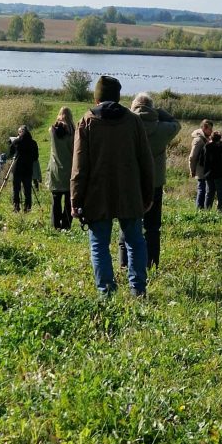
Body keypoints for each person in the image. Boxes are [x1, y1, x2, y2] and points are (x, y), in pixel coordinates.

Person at [71, 75, 154, 297]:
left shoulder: (87, 121)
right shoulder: (133, 120)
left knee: (99, 244)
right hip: (130, 193)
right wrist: (147, 195)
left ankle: (106, 293)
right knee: (135, 241)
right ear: (117, 97)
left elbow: (79, 166)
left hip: (97, 194)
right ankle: (138, 290)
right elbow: (146, 161)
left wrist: (75, 200)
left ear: (97, 98)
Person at [119, 93, 181, 269]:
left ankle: (124, 264)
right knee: (153, 227)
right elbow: (177, 124)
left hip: (130, 182)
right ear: (152, 108)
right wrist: (159, 111)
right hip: (154, 183)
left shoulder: (126, 127)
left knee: (127, 225)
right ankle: (152, 263)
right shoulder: (162, 128)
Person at [46, 107, 75, 230]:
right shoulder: (73, 131)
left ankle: (55, 225)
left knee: (56, 200)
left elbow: (51, 128)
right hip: (69, 168)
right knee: (69, 201)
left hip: (55, 168)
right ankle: (66, 224)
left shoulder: (52, 130)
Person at [8, 125, 39, 212]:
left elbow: (10, 153)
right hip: (28, 168)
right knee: (27, 189)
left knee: (16, 189)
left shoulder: (16, 141)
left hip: (17, 168)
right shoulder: (33, 143)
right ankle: (27, 207)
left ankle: (16, 207)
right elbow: (36, 157)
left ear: (20, 133)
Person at [189, 119, 214, 209]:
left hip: (206, 170)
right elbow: (192, 157)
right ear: (204, 128)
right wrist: (192, 170)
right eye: (210, 129)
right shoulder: (198, 140)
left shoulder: (206, 138)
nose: (211, 131)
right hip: (200, 170)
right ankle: (199, 210)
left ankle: (202, 210)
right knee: (201, 190)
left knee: (204, 190)